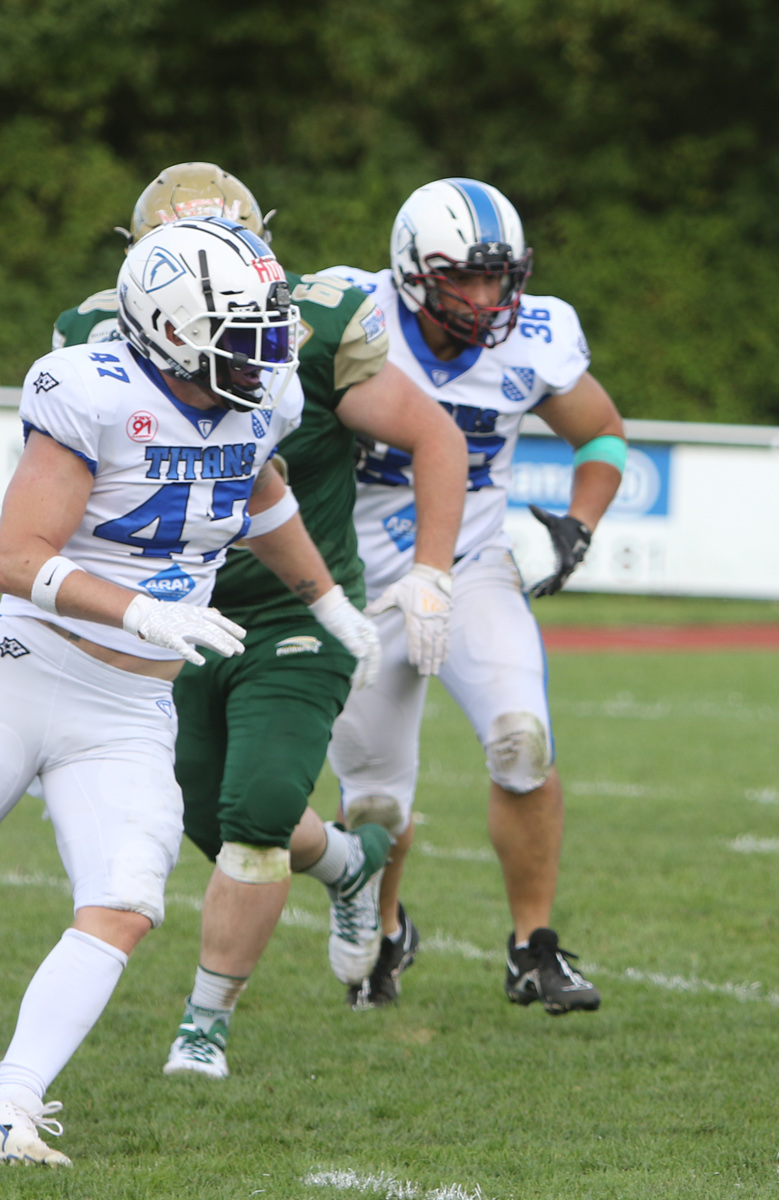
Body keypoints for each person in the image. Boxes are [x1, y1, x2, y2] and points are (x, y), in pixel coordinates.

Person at [50, 162, 470, 1078]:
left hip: (289, 611)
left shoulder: (307, 329)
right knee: (200, 810)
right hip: (171, 617)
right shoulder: (94, 339)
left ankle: (204, 1025)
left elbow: (416, 439)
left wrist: (424, 574)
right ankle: (348, 863)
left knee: (261, 809)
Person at [0, 218, 344, 1162]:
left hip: (129, 707)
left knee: (125, 898)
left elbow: (260, 498)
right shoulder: (90, 389)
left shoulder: (256, 399)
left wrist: (329, 601)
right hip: (28, 663)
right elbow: (15, 553)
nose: (265, 352)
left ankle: (12, 1102)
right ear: (171, 327)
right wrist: (138, 610)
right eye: (241, 330)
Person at [324, 177, 627, 1013]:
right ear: (411, 270)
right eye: (463, 277)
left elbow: (602, 433)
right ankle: (385, 933)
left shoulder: (535, 335)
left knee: (521, 741)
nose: (486, 297)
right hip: (360, 578)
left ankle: (534, 947)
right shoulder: (350, 313)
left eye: (498, 276)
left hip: (470, 565)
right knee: (375, 797)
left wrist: (579, 525)